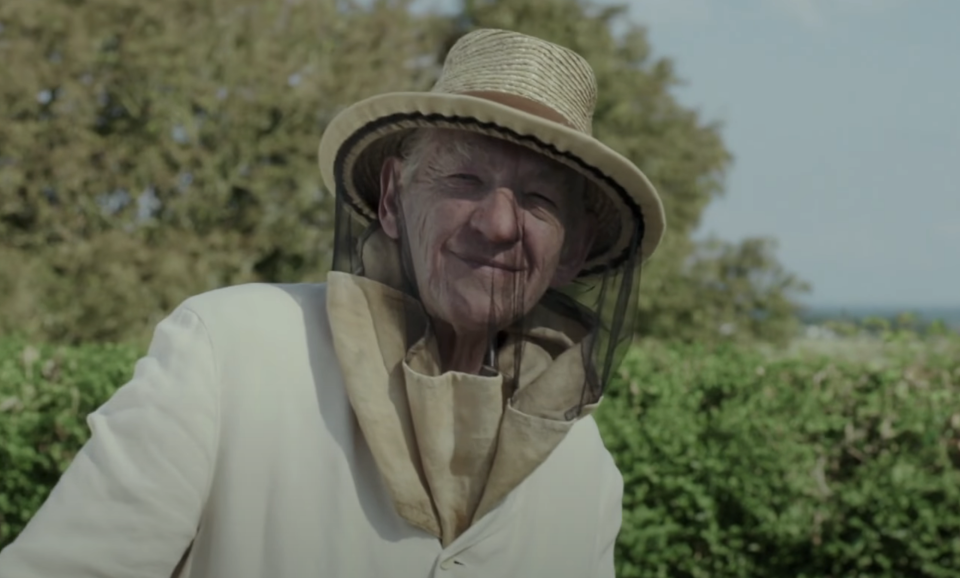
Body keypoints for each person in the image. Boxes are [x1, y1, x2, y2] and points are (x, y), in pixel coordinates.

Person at [0, 28, 665, 577]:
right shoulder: (230, 347)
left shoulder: (584, 464)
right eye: (464, 177)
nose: (497, 223)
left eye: (541, 201)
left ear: (573, 251)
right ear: (392, 199)